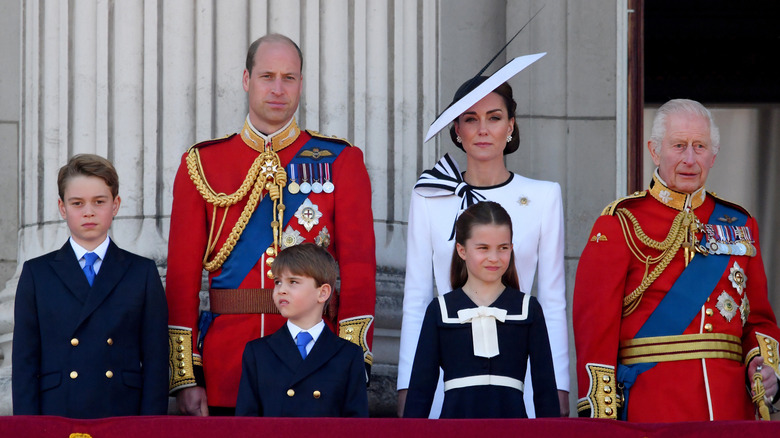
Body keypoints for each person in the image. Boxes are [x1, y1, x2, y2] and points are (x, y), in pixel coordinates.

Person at [166, 33, 376, 416]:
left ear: (300, 82)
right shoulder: (202, 164)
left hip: (318, 367)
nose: (278, 89)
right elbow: (181, 280)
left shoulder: (340, 160)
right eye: (267, 77)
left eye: (289, 77)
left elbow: (360, 273)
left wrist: (354, 362)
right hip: (227, 369)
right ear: (247, 80)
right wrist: (187, 375)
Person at [573, 98, 780, 421]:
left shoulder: (739, 224)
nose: (689, 159)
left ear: (713, 156)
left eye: (700, 146)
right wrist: (602, 414)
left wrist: (764, 366)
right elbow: (595, 329)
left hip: (728, 408)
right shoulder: (621, 222)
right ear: (655, 150)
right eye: (679, 145)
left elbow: (759, 320)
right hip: (652, 405)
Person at [398, 75, 569, 417]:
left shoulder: (543, 196)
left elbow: (552, 301)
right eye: (470, 119)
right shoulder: (430, 195)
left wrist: (559, 384)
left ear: (511, 125)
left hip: (519, 379)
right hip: (448, 379)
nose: (483, 129)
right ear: (457, 130)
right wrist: (408, 384)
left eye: (494, 117)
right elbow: (416, 298)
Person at [12, 154, 168, 418]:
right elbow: (25, 364)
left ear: (115, 205)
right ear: (62, 208)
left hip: (121, 411)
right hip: (57, 413)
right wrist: (28, 429)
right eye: (77, 203)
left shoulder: (141, 273)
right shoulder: (37, 274)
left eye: (99, 201)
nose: (88, 211)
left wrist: (149, 428)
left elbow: (156, 363)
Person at [403, 201, 559, 418]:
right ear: (462, 250)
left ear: (511, 249)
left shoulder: (528, 308)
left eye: (503, 248)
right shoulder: (440, 309)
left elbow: (546, 392)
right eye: (483, 248)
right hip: (455, 431)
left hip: (513, 431)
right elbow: (420, 392)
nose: (494, 258)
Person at [235, 243, 368, 417]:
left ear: (323, 293)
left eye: (293, 282)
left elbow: (356, 426)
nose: (281, 290)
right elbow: (246, 424)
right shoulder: (258, 352)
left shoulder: (348, 355)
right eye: (277, 282)